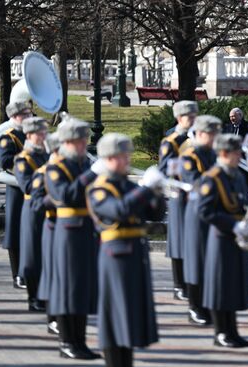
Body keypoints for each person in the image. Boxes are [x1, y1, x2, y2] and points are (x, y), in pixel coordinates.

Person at [87, 133, 166, 367]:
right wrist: (145, 189)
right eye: (123, 156)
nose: (127, 160)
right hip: (116, 255)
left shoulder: (127, 184)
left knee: (130, 314)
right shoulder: (99, 189)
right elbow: (119, 210)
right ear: (109, 159)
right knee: (115, 315)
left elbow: (154, 214)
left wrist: (157, 192)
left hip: (135, 254)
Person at [45, 114, 101, 359]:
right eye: (81, 140)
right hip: (68, 232)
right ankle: (67, 342)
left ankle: (80, 340)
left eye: (85, 140)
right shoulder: (56, 167)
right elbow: (65, 195)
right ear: (68, 142)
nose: (84, 144)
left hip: (86, 229)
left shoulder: (83, 164)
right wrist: (91, 176)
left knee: (81, 288)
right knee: (69, 287)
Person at [198, 134, 248, 348]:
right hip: (221, 238)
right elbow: (204, 211)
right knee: (221, 287)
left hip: (237, 237)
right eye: (236, 153)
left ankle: (233, 331)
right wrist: (231, 225)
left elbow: (240, 203)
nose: (240, 156)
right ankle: (221, 332)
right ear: (223, 153)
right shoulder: (212, 177)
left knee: (232, 286)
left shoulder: (236, 175)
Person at [180, 115, 221, 326]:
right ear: (200, 134)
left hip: (215, 211)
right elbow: (195, 182)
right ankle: (195, 307)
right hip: (196, 212)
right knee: (196, 260)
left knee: (210, 261)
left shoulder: (214, 154)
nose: (215, 138)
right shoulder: (189, 156)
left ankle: (208, 304)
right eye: (211, 134)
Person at [159, 100, 198, 301]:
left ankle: (191, 282)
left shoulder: (196, 139)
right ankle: (178, 284)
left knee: (192, 240)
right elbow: (164, 168)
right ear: (178, 118)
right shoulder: (172, 141)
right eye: (188, 118)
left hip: (195, 195)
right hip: (179, 194)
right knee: (178, 240)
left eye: (194, 117)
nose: (192, 121)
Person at [13, 117, 49, 312]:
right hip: (32, 209)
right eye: (40, 134)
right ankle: (33, 298)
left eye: (44, 133)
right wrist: (48, 171)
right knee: (32, 254)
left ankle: (45, 296)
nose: (43, 137)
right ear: (29, 135)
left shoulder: (46, 155)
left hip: (49, 208)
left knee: (46, 254)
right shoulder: (23, 159)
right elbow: (27, 185)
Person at [0, 100, 32, 290]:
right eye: (24, 114)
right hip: (17, 189)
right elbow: (5, 161)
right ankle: (17, 275)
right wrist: (28, 156)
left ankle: (29, 273)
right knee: (15, 232)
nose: (28, 117)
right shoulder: (9, 137)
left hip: (34, 189)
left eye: (29, 113)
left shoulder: (32, 134)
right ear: (14, 117)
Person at [33, 132, 61, 335]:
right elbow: (36, 203)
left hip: (74, 229)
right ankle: (54, 318)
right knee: (53, 273)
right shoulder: (44, 172)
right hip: (54, 226)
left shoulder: (72, 169)